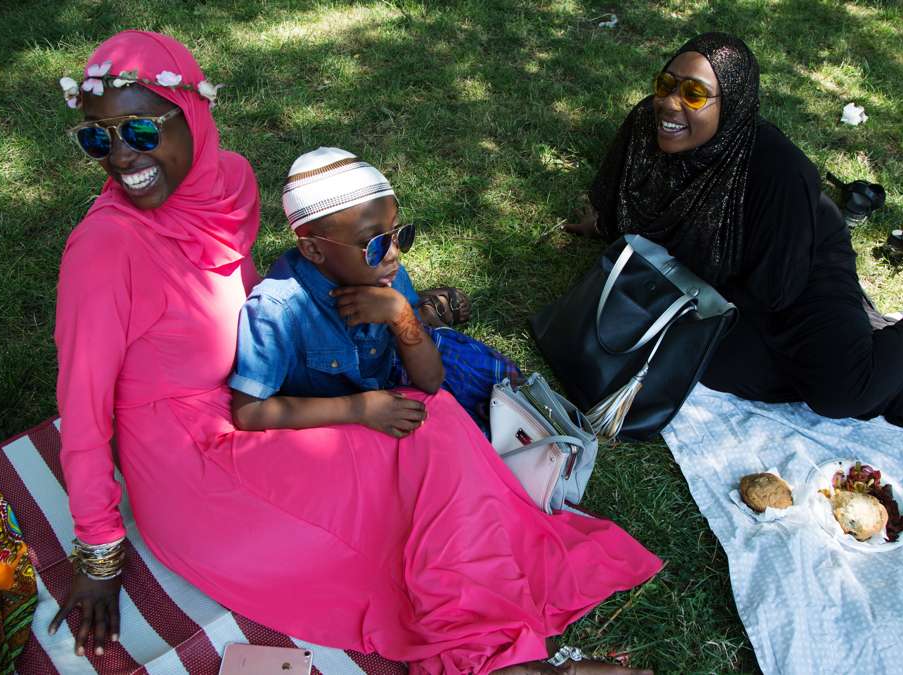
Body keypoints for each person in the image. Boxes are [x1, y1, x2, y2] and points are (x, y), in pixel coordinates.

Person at [50, 30, 661, 674]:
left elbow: (246, 296)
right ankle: (503, 660)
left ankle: (498, 637)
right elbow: (84, 411)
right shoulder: (106, 249)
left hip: (262, 398)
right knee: (418, 458)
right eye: (97, 137)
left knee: (438, 427)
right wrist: (97, 559)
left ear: (194, 118)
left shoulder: (226, 182)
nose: (120, 157)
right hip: (195, 465)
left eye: (140, 131)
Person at [569, 32, 903, 428]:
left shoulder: (777, 169)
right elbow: (628, 192)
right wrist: (604, 223)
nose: (670, 103)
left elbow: (776, 292)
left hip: (800, 275)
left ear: (732, 104)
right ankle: (867, 368)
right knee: (706, 364)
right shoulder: (647, 124)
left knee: (840, 393)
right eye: (666, 85)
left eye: (694, 95)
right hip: (722, 282)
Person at [229, 147, 519, 436]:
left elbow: (431, 380)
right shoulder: (277, 311)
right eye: (375, 244)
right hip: (337, 418)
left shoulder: (388, 277)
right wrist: (359, 409)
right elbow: (249, 411)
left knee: (501, 396)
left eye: (397, 234)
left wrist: (401, 314)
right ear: (314, 249)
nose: (394, 254)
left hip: (391, 374)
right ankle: (431, 312)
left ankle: (426, 314)